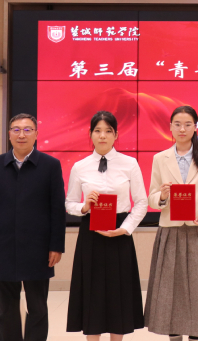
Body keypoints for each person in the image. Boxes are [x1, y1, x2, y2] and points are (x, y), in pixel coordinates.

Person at [144, 105, 198, 341]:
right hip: (170, 232)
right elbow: (151, 197)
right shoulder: (159, 158)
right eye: (177, 124)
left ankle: (196, 337)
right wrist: (162, 196)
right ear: (170, 127)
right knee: (170, 293)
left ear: (195, 127)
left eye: (187, 124)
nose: (182, 129)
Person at [0, 113, 66, 341]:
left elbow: (57, 210)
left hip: (39, 248)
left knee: (37, 307)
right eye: (16, 129)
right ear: (9, 134)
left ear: (36, 134)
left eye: (27, 130)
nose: (21, 135)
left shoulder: (50, 165)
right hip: (3, 247)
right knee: (6, 308)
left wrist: (56, 246)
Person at [65, 111, 147, 340]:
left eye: (108, 131)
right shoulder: (80, 167)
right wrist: (84, 207)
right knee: (92, 292)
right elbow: (69, 203)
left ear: (116, 135)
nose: (102, 136)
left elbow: (141, 202)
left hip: (119, 232)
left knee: (118, 292)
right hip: (91, 232)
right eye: (98, 131)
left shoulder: (129, 164)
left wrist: (125, 229)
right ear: (90, 134)